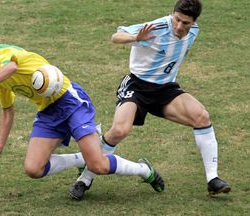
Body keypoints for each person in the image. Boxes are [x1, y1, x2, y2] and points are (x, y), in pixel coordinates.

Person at [0, 32, 165, 198]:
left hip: (71, 102)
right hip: (48, 111)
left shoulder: (4, 53)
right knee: (33, 169)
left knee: (98, 166)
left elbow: (12, 67)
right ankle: (81, 158)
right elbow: (7, 110)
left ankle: (144, 170)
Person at [69, 0, 231, 199]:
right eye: (177, 20)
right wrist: (135, 37)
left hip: (165, 89)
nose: (180, 26)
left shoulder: (194, 31)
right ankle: (85, 179)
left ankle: (213, 179)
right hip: (137, 86)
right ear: (172, 14)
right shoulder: (156, 28)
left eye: (186, 23)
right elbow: (115, 36)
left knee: (202, 116)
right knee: (119, 130)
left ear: (194, 22)